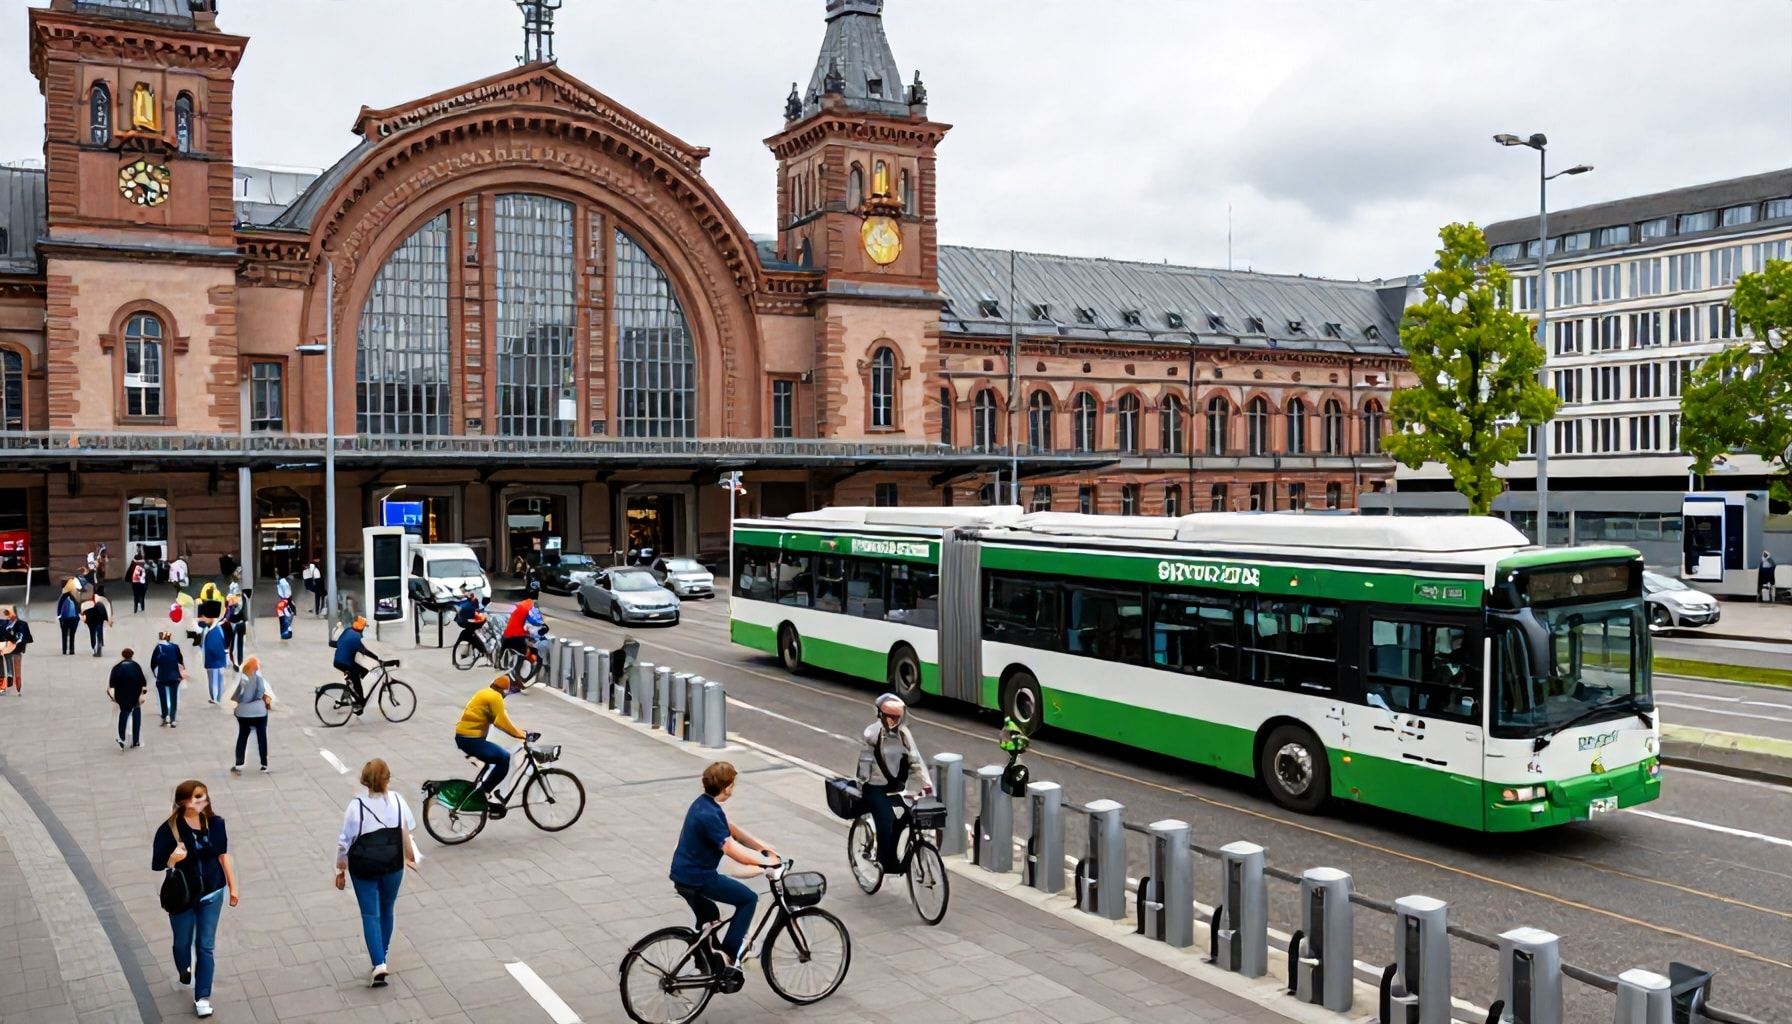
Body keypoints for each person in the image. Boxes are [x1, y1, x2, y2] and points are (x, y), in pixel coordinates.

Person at [669, 762, 778, 981]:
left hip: (682, 874)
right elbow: (730, 848)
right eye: (732, 785)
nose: (733, 789)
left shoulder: (704, 804)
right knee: (748, 899)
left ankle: (706, 959)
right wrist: (763, 864)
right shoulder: (709, 815)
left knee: (711, 918)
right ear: (727, 787)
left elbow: (733, 831)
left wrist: (763, 849)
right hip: (699, 878)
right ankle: (728, 957)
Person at [151, 780, 238, 1019]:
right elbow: (157, 864)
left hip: (212, 893)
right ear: (183, 802)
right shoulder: (169, 830)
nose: (203, 801)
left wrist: (233, 887)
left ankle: (202, 997)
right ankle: (183, 969)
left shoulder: (216, 824)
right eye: (197, 798)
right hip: (182, 897)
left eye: (204, 796)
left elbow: (222, 855)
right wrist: (173, 859)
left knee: (205, 946)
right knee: (182, 943)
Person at [334, 759, 419, 988]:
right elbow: (405, 831)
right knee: (387, 909)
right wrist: (410, 857)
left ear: (365, 781)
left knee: (370, 914)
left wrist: (340, 868)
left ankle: (379, 963)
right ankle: (383, 950)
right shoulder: (398, 801)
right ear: (387, 779)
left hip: (363, 866)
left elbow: (345, 842)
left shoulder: (356, 806)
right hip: (392, 864)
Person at [855, 694, 934, 874]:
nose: (893, 721)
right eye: (890, 717)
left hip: (895, 786)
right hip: (874, 787)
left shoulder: (904, 734)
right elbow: (864, 764)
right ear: (880, 715)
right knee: (886, 820)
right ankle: (885, 862)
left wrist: (927, 787)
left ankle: (896, 851)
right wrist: (862, 784)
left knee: (908, 815)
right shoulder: (872, 734)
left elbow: (916, 760)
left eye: (897, 717)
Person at [454, 674, 530, 805]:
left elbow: (496, 721)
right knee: (504, 758)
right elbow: (502, 722)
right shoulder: (495, 697)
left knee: (495, 752)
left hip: (465, 736)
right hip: (470, 739)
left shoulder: (485, 692)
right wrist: (522, 735)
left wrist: (518, 732)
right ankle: (484, 792)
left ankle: (482, 786)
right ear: (504, 690)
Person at [229, 656, 271, 773]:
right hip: (259, 713)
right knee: (261, 737)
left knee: (242, 736)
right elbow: (260, 692)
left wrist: (239, 704)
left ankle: (239, 763)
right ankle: (264, 763)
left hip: (243, 713)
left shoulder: (242, 680)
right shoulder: (258, 679)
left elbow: (236, 696)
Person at [332, 616, 379, 709]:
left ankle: (349, 690)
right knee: (356, 679)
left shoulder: (348, 630)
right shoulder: (355, 637)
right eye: (364, 627)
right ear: (361, 628)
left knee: (363, 672)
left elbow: (338, 643)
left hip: (339, 659)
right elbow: (363, 651)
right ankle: (360, 702)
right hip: (344, 662)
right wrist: (376, 658)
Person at [109, 647, 149, 749]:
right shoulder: (136, 666)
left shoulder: (116, 667)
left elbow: (112, 684)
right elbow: (143, 682)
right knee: (136, 715)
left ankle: (122, 738)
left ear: (123, 656)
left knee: (124, 714)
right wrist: (142, 693)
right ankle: (135, 740)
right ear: (132, 655)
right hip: (134, 694)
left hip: (121, 695)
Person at [151, 630, 185, 728]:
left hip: (162, 676)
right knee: (173, 697)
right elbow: (180, 660)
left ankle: (165, 716)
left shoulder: (158, 648)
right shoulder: (175, 647)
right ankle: (173, 718)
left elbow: (153, 663)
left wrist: (155, 674)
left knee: (163, 697)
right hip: (174, 676)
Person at [0, 606, 31, 695]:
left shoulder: (22, 624)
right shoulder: (4, 622)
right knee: (5, 663)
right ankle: (9, 679)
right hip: (6, 647)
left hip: (16, 649)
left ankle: (17, 685)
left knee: (15, 668)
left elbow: (24, 637)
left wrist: (15, 641)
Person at [453, 587, 489, 662]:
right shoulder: (468, 602)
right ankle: (479, 651)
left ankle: (471, 651)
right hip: (471, 622)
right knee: (474, 635)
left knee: (471, 635)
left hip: (468, 622)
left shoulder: (468, 601)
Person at [201, 616, 229, 705]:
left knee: (215, 680)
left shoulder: (215, 631)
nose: (204, 619)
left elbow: (217, 648)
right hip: (211, 661)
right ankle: (215, 697)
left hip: (215, 662)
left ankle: (216, 698)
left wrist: (222, 661)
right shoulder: (210, 629)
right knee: (214, 680)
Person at [81, 588, 113, 658]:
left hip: (91, 622)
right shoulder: (102, 603)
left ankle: (94, 648)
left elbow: (85, 613)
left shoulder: (88, 604)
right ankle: (100, 644)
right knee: (99, 633)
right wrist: (108, 620)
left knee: (92, 634)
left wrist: (85, 620)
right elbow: (106, 613)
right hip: (99, 621)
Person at [56, 578, 81, 656]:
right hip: (74, 618)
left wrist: (59, 618)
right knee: (72, 635)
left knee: (64, 634)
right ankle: (72, 650)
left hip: (64, 619)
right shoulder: (74, 597)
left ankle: (64, 650)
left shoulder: (63, 597)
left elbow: (59, 609)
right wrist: (78, 617)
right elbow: (78, 607)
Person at [223, 593, 247, 666]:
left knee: (235, 646)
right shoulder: (231, 607)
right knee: (236, 645)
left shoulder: (232, 608)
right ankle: (237, 662)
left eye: (229, 601)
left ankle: (237, 663)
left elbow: (228, 617)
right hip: (237, 625)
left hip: (236, 626)